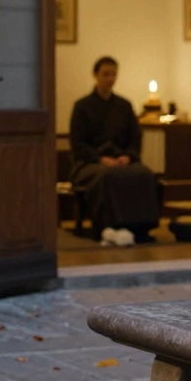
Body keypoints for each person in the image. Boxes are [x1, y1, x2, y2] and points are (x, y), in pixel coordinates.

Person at [68, 57, 161, 244]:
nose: (110, 79)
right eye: (106, 74)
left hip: (121, 159)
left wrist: (128, 156)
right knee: (108, 176)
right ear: (95, 75)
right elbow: (78, 143)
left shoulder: (124, 105)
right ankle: (108, 228)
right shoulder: (82, 106)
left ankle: (141, 228)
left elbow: (135, 138)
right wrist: (100, 159)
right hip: (90, 163)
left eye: (113, 74)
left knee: (144, 174)